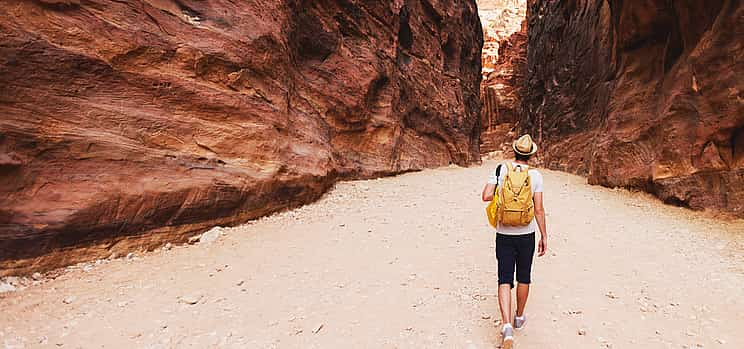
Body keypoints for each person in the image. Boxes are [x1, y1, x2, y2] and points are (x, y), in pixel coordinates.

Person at [481, 134, 548, 349]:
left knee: (504, 278)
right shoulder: (536, 176)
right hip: (526, 234)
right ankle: (519, 317)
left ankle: (507, 327)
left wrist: (504, 196)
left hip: (504, 233)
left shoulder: (501, 170)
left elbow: (486, 196)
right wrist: (544, 235)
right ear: (531, 155)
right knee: (524, 277)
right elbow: (538, 209)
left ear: (514, 151)